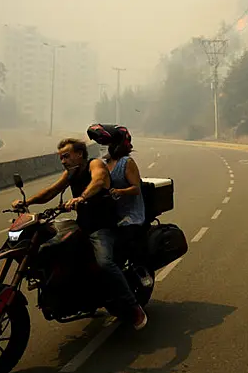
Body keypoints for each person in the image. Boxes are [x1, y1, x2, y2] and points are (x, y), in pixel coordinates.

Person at [11, 137, 147, 330]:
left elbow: (99, 180)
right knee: (49, 249)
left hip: (102, 228)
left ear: (79, 154)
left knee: (105, 263)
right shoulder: (71, 174)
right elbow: (50, 192)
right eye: (61, 158)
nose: (63, 161)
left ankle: (133, 307)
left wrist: (81, 197)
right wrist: (27, 203)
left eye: (66, 156)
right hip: (81, 226)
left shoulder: (95, 164)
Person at [103, 126, 152, 288]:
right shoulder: (104, 163)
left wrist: (120, 191)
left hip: (131, 213)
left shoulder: (127, 162)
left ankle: (140, 270)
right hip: (113, 212)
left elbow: (136, 188)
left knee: (125, 239)